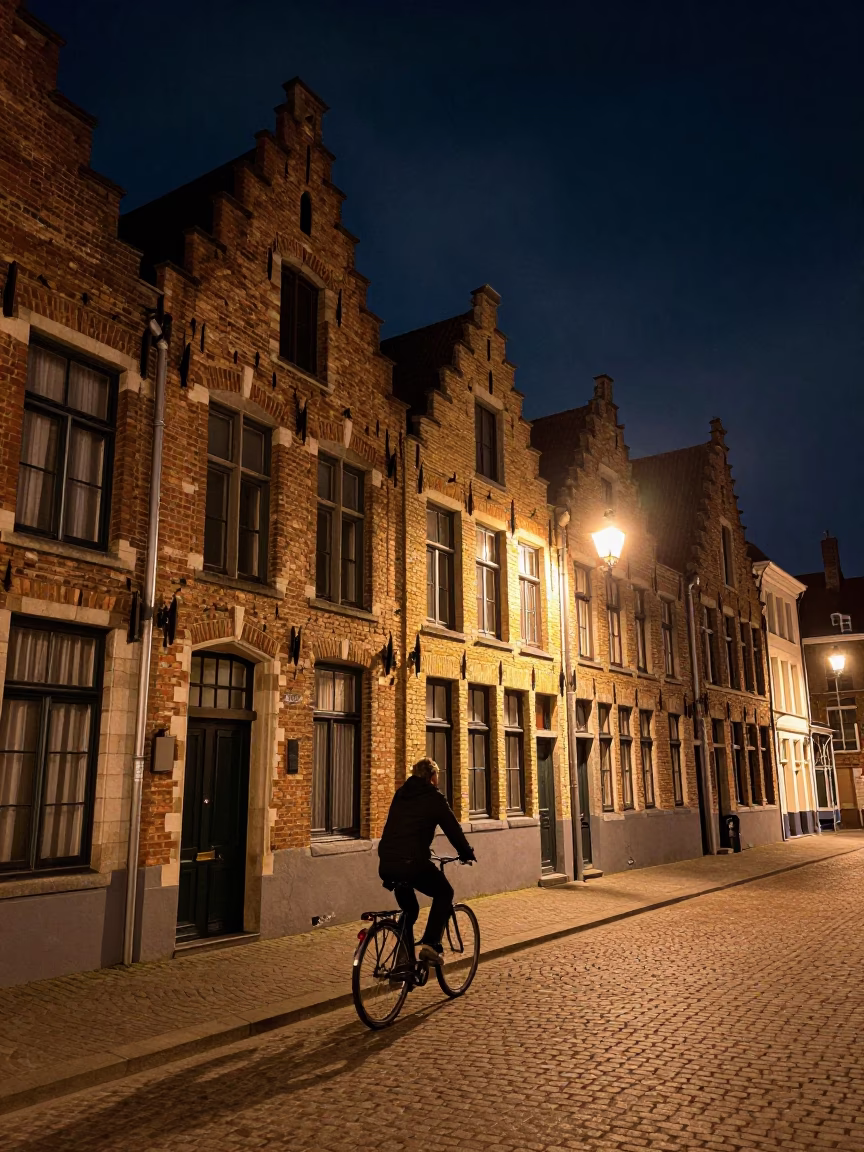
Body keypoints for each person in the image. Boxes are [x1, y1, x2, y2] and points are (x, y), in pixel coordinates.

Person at [378, 757, 476, 965]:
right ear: (432, 776)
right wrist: (466, 852)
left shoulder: (401, 793)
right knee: (444, 892)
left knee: (410, 910)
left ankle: (403, 962)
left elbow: (399, 828)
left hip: (387, 862)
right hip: (412, 863)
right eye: (437, 775)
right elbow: (452, 829)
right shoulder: (433, 797)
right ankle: (431, 944)